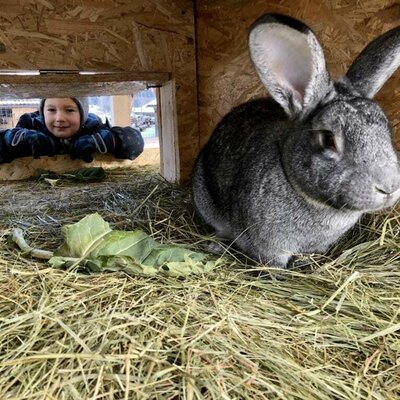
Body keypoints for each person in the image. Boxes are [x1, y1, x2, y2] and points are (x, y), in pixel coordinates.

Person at [0, 97, 144, 163]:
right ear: (42, 111)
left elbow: (135, 144)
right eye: (51, 110)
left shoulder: (93, 128)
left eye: (69, 110)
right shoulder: (30, 126)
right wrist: (13, 140)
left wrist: (108, 140)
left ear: (83, 114)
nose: (59, 118)